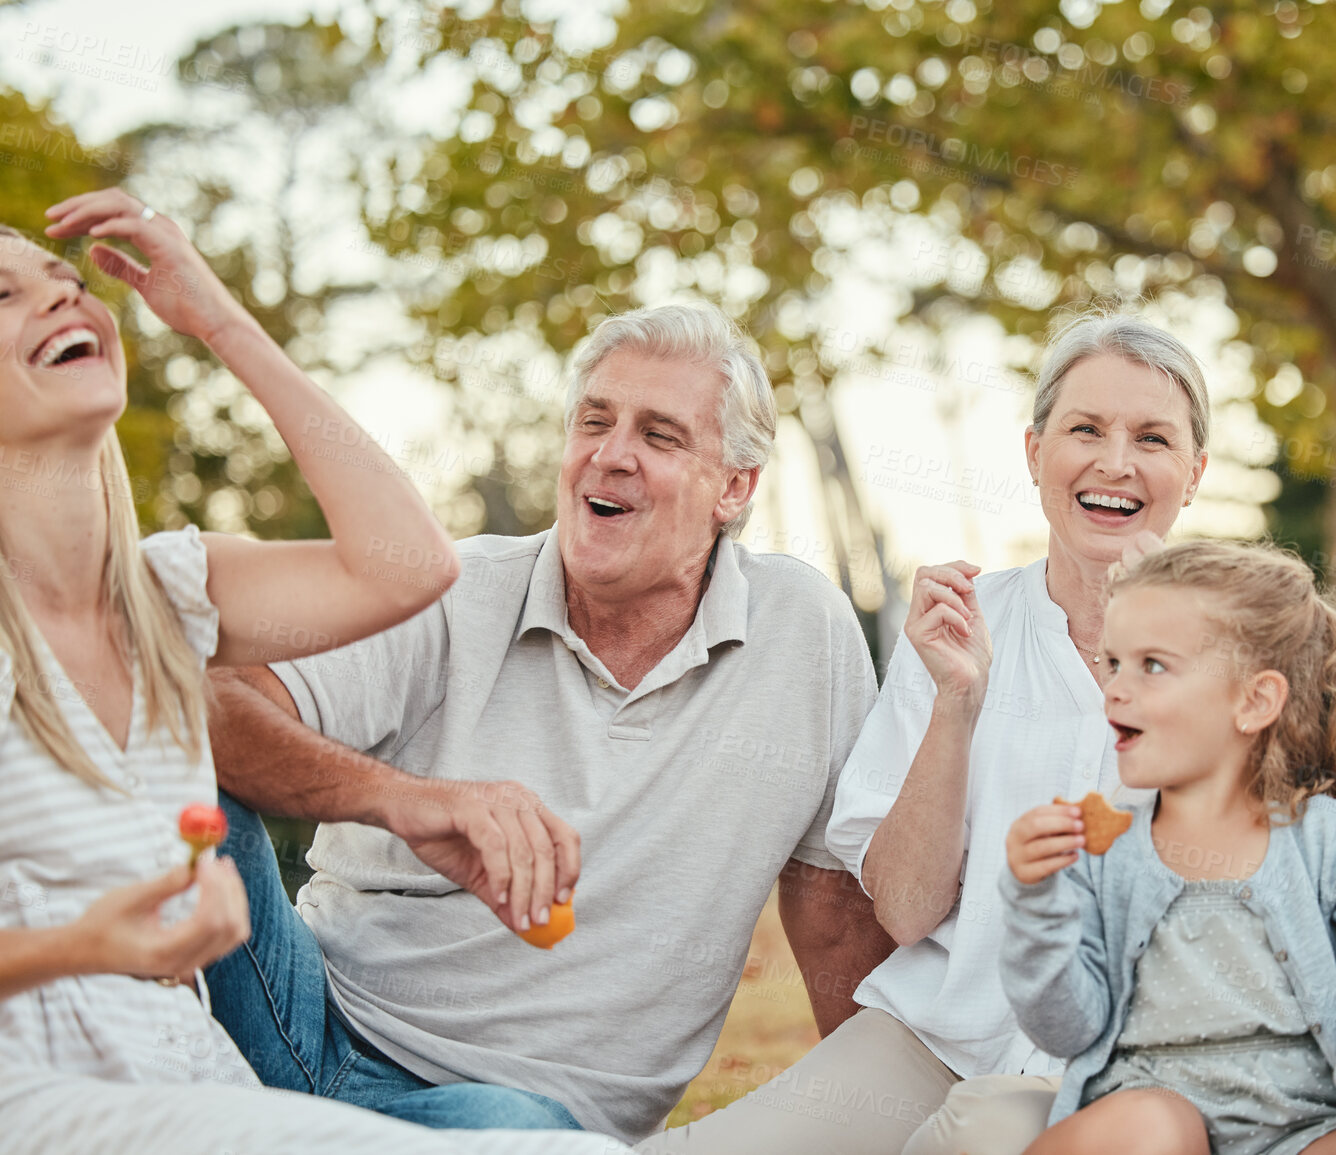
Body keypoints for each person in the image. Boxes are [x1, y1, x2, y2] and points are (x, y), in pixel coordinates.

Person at [0, 191, 624, 1154]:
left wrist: (217, 318)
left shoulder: (165, 595)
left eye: (70, 284)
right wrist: (82, 948)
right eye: (3, 294)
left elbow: (409, 563)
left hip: (196, 1082)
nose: (63, 302)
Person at [204, 301, 893, 1142]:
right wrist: (400, 798)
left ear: (735, 486)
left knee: (514, 1132)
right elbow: (212, 704)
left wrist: (883, 1128)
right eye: (593, 422)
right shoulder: (454, 591)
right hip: (296, 1017)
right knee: (168, 775)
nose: (610, 454)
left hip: (517, 1111)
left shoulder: (803, 634)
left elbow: (832, 911)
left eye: (659, 435)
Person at [634, 311, 1210, 1155]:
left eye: (1151, 438)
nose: (1114, 462)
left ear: (1193, 472)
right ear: (1034, 451)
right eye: (1084, 428)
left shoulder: (1246, 645)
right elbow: (905, 910)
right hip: (935, 1040)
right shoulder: (958, 629)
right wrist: (956, 703)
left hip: (1131, 1067)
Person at [1000, 541, 1336, 1155]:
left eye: (1153, 665)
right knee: (1154, 1126)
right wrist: (1036, 905)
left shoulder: (1327, 839)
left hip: (1306, 1135)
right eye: (1111, 662)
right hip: (1148, 1121)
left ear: (1254, 701)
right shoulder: (1100, 851)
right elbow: (1067, 1028)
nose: (1115, 688)